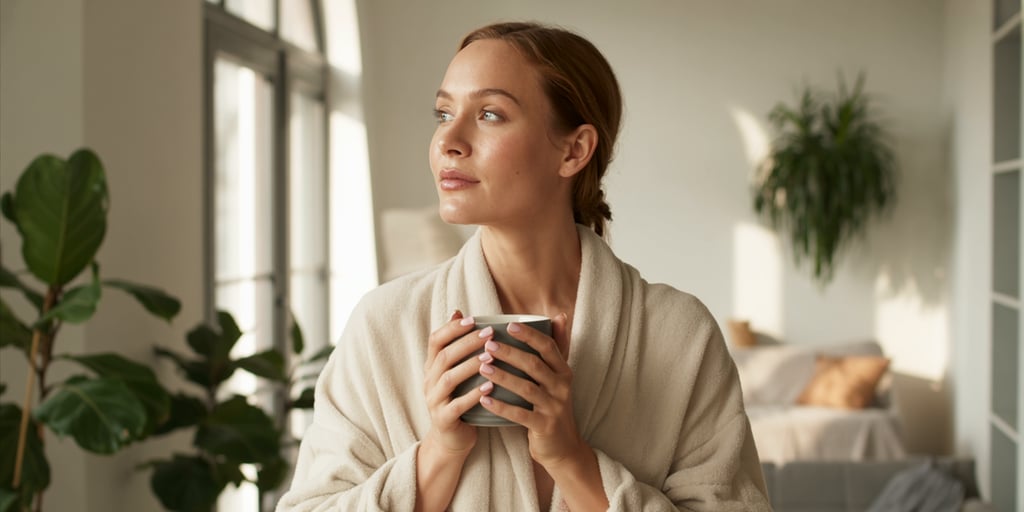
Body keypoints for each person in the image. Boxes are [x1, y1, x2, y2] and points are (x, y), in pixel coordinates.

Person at [277, 21, 770, 512]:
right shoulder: (384, 325)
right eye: (443, 112)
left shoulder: (679, 336)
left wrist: (569, 458)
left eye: (490, 114)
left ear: (574, 150)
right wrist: (439, 454)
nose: (448, 140)